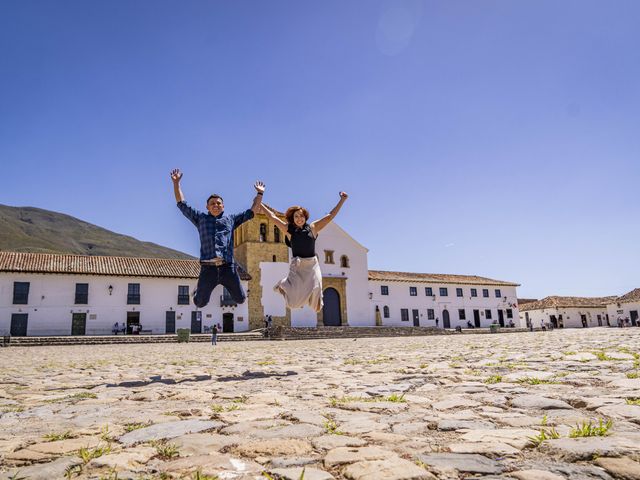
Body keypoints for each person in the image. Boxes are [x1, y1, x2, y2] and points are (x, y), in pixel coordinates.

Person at [171, 168, 264, 308]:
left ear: (223, 206)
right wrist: (176, 183)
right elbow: (181, 204)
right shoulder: (200, 218)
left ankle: (235, 292)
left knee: (241, 299)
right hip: (208, 269)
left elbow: (253, 211)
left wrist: (260, 193)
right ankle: (197, 291)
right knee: (200, 303)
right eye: (212, 203)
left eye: (218, 203)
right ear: (207, 207)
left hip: (228, 268)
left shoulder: (231, 219)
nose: (216, 205)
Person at [260, 192, 348, 312]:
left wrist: (342, 200)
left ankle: (292, 287)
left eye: (301, 216)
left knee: (317, 298)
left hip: (312, 265)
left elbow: (330, 216)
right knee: (293, 304)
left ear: (305, 217)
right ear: (293, 218)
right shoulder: (288, 230)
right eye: (296, 216)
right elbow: (272, 217)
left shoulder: (313, 228)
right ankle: (283, 285)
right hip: (298, 265)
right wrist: (260, 202)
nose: (299, 219)